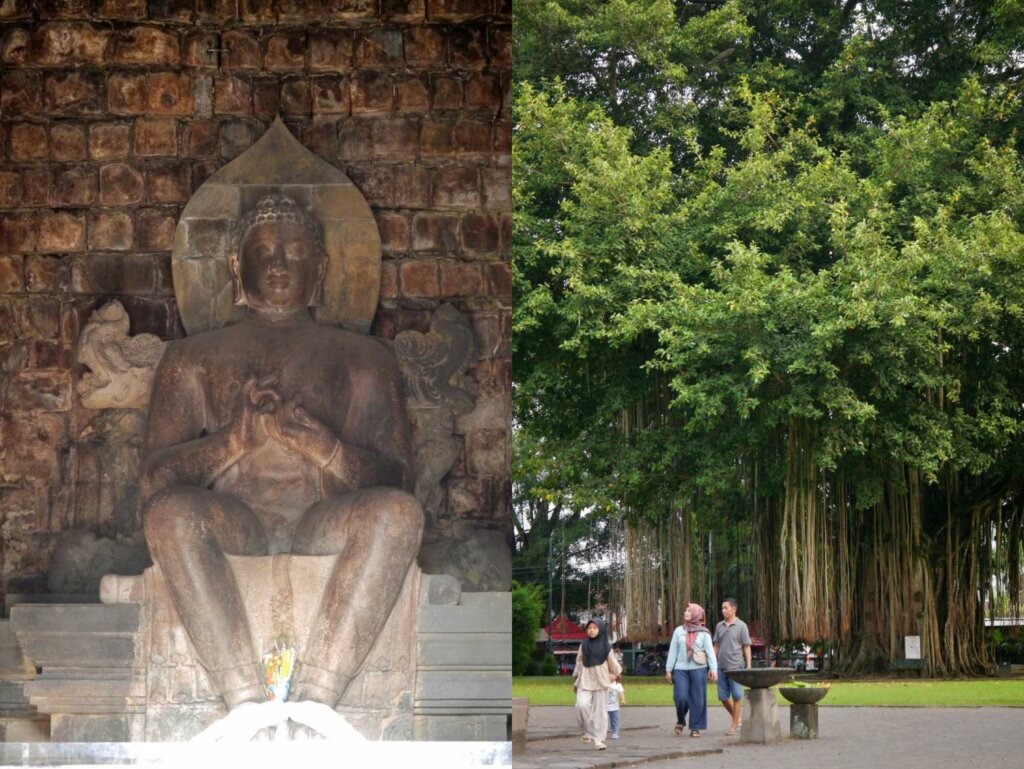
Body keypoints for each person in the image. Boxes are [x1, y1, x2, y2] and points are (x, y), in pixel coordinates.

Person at [141, 193, 424, 710]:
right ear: (235, 264)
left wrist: (327, 449)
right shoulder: (192, 358)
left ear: (320, 270)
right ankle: (244, 699)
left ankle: (318, 695)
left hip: (322, 522)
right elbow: (154, 480)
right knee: (171, 514)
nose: (278, 263)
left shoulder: (363, 357)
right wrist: (233, 442)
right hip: (235, 521)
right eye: (265, 249)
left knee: (398, 515)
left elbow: (398, 478)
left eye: (295, 251)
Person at [665, 603, 718, 738]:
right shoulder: (679, 631)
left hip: (698, 669)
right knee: (680, 697)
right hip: (681, 669)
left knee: (698, 699)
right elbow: (673, 651)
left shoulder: (704, 633)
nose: (686, 612)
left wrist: (713, 669)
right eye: (686, 610)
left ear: (696, 614)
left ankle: (695, 727)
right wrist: (668, 669)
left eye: (690, 610)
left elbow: (710, 652)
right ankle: (681, 720)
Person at [573, 618, 621, 750]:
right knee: (581, 705)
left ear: (600, 629)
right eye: (589, 628)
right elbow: (578, 662)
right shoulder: (583, 644)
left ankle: (598, 740)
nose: (591, 630)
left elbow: (612, 663)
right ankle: (588, 732)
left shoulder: (606, 646)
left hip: (601, 680)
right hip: (585, 679)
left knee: (600, 711)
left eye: (594, 628)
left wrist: (616, 674)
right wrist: (575, 681)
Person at [713, 597, 752, 735]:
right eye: (722, 608)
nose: (723, 610)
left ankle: (734, 726)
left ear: (733, 609)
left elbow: (746, 647)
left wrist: (748, 665)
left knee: (736, 696)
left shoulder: (742, 626)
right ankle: (737, 718)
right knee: (723, 697)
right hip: (721, 667)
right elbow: (716, 645)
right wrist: (712, 665)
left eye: (726, 608)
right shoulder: (719, 626)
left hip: (736, 666)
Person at [606, 674, 626, 739]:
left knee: (614, 720)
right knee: (602, 720)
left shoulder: (618, 685)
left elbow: (621, 693)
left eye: (613, 674)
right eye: (609, 674)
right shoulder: (604, 683)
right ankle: (601, 732)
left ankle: (615, 732)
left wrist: (623, 700)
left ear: (616, 676)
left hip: (614, 707)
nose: (610, 676)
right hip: (603, 706)